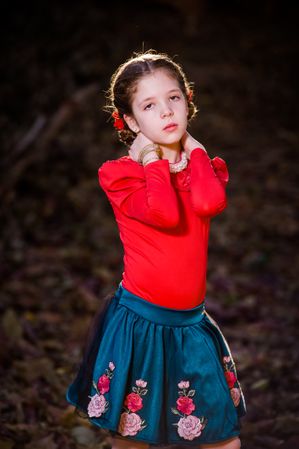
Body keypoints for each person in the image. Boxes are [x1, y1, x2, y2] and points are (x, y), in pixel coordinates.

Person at [65, 50, 246, 449]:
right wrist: (150, 157)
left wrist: (194, 149)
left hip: (191, 326)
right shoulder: (120, 175)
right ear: (131, 121)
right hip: (139, 325)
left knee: (222, 440)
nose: (166, 112)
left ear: (188, 101)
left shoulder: (205, 169)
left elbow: (209, 203)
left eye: (174, 98)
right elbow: (162, 213)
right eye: (149, 105)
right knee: (131, 439)